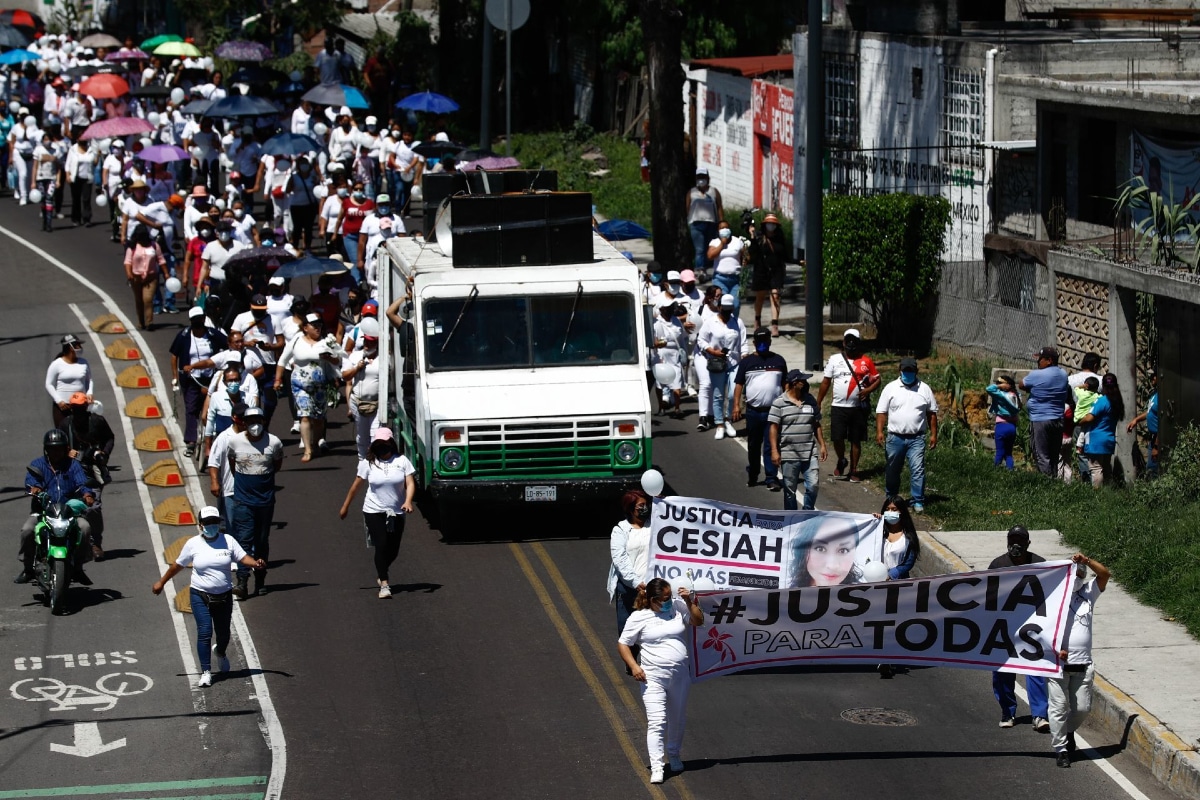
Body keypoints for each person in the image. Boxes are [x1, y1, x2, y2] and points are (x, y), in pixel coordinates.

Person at [151, 505, 265, 688]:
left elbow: (243, 558)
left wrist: (255, 564)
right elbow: (177, 566)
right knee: (204, 632)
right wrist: (161, 582)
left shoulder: (228, 541)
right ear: (200, 524)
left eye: (215, 522)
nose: (212, 525)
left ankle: (220, 652)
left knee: (224, 634)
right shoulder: (193, 544)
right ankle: (206, 672)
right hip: (200, 595)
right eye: (208, 522)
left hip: (224, 596)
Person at [617, 577, 704, 785]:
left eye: (670, 596)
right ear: (653, 599)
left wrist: (689, 601)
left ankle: (673, 754)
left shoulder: (678, 606)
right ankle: (657, 766)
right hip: (652, 676)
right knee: (657, 721)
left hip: (680, 674)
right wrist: (634, 666)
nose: (669, 599)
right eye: (665, 597)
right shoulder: (639, 617)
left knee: (678, 717)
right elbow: (623, 644)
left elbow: (698, 621)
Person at [338, 428, 416, 598]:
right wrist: (345, 506)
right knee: (381, 544)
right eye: (378, 443)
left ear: (391, 443)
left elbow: (410, 483)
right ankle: (384, 584)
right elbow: (356, 486)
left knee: (393, 549)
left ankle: (382, 570)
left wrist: (408, 501)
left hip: (396, 511)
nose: (382, 446)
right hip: (373, 510)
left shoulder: (402, 461)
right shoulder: (368, 463)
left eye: (385, 443)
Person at [1050, 553, 1110, 768]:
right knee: (1058, 707)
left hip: (1083, 664)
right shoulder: (1052, 598)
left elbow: (1104, 574)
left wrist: (1086, 561)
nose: (1078, 576)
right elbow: (1039, 629)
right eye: (1074, 572)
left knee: (1082, 708)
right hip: (1058, 665)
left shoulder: (1088, 594)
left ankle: (1067, 731)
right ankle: (1061, 749)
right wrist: (1056, 648)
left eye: (1081, 573)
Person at [989, 525, 1050, 731]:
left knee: (1036, 671)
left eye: (1021, 541)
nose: (1016, 545)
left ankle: (1040, 715)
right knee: (1002, 672)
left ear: (1028, 544)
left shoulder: (1041, 565)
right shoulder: (998, 565)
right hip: (1004, 627)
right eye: (1013, 540)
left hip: (1032, 629)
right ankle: (1008, 712)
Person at [16, 429, 95, 586]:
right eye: (52, 448)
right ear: (46, 449)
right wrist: (35, 489)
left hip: (69, 512)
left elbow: (82, 483)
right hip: (43, 512)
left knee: (85, 528)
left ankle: (78, 568)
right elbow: (32, 481)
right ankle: (28, 569)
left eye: (59, 448)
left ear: (65, 448)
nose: (56, 452)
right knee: (27, 530)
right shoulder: (37, 465)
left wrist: (87, 495)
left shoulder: (73, 465)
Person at [226, 406, 283, 599]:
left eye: (258, 421)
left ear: (264, 422)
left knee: (261, 542)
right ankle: (242, 581)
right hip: (243, 502)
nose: (255, 425)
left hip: (265, 502)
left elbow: (276, 465)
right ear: (244, 423)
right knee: (243, 542)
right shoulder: (235, 442)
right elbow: (233, 464)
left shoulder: (274, 442)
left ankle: (260, 579)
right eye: (250, 422)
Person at [817, 329, 881, 483]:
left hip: (857, 408)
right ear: (844, 342)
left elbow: (877, 379)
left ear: (858, 343)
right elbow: (826, 382)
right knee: (837, 438)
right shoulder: (834, 360)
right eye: (848, 340)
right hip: (838, 407)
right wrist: (818, 401)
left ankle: (854, 469)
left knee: (855, 440)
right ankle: (841, 460)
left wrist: (868, 390)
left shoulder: (866, 361)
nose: (851, 344)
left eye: (854, 341)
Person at [875, 357, 938, 514]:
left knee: (917, 469)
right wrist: (879, 431)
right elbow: (881, 411)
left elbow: (932, 414)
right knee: (892, 469)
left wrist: (933, 434)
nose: (907, 374)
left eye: (910, 371)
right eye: (905, 371)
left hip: (916, 438)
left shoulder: (924, 389)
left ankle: (917, 500)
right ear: (900, 371)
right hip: (895, 437)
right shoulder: (891, 388)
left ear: (916, 372)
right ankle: (891, 498)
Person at [57, 392, 115, 561]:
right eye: (74, 408)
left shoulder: (97, 421)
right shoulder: (65, 425)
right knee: (67, 506)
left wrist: (104, 453)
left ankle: (95, 542)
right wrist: (67, 452)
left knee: (93, 507)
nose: (78, 411)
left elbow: (110, 438)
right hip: (71, 471)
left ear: (86, 407)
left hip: (93, 470)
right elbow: (54, 446)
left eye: (81, 408)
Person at [275, 313, 339, 461]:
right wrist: (278, 379)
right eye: (314, 325)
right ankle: (308, 450)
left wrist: (329, 357)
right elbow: (282, 360)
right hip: (300, 384)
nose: (318, 328)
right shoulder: (297, 340)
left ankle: (315, 444)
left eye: (319, 325)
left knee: (318, 419)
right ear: (305, 328)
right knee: (304, 416)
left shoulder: (327, 341)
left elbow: (337, 361)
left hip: (320, 386)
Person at [732, 328, 788, 489]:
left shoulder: (779, 361)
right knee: (754, 445)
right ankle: (754, 472)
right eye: (759, 342)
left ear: (770, 342)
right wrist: (736, 405)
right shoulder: (747, 362)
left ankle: (771, 477)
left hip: (773, 411)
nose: (762, 344)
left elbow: (785, 384)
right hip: (753, 412)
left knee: (771, 445)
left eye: (765, 341)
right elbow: (739, 385)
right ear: (754, 343)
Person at [170, 308, 228, 458]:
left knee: (211, 408)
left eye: (200, 318)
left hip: (210, 378)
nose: (198, 322)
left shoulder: (213, 334)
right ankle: (190, 441)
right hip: (191, 379)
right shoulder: (183, 336)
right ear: (191, 321)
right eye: (194, 319)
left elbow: (228, 345)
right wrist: (175, 376)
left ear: (204, 319)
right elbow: (174, 356)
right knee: (190, 407)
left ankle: (215, 438)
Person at [876, 495, 921, 678]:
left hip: (897, 586)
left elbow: (907, 564)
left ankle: (886, 658)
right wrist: (874, 523)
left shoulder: (908, 538)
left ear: (902, 512)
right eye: (889, 508)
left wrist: (891, 574)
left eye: (895, 509)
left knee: (892, 623)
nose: (891, 512)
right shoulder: (878, 531)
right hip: (875, 586)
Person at [769, 370, 826, 510]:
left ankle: (807, 513)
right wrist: (774, 451)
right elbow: (773, 428)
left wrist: (822, 445)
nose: (806, 383)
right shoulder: (779, 403)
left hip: (809, 452)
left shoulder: (810, 400)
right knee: (789, 490)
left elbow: (816, 424)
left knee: (813, 485)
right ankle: (791, 519)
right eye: (803, 381)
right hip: (789, 454)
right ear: (795, 383)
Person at [607, 490, 653, 662]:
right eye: (640, 506)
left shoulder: (655, 526)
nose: (645, 508)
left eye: (646, 505)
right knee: (626, 628)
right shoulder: (621, 530)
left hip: (651, 588)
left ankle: (649, 661)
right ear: (630, 509)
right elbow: (620, 558)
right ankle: (632, 661)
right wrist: (635, 581)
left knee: (651, 627)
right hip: (628, 588)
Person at [697, 294, 745, 440]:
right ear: (719, 307)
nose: (726, 313)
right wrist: (712, 351)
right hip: (717, 363)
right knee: (718, 395)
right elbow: (701, 340)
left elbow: (743, 342)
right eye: (724, 309)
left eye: (729, 310)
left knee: (732, 394)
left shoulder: (738, 322)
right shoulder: (710, 323)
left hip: (734, 363)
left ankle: (727, 419)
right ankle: (719, 424)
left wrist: (745, 355)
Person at [1020, 346, 1073, 477]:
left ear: (1049, 360)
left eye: (1041, 359)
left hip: (1040, 419)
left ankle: (1046, 483)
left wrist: (1033, 390)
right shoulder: (1063, 374)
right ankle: (1054, 478)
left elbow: (1021, 385)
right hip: (1058, 420)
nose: (1038, 362)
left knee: (1041, 454)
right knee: (1054, 454)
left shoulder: (1036, 374)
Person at [341, 317, 383, 459]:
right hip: (358, 402)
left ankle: (375, 460)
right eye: (365, 341)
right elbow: (345, 376)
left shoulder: (384, 359)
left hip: (377, 404)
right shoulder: (354, 356)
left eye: (370, 342)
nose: (366, 344)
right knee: (362, 435)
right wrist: (357, 368)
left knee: (376, 436)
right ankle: (362, 460)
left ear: (376, 343)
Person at [788, 515, 862, 587]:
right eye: (820, 549)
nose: (832, 566)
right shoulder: (788, 594)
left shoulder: (864, 594)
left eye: (843, 550)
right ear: (803, 550)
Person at [1079, 373, 1124, 488]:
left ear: (1103, 385)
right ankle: (1108, 491)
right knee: (1106, 467)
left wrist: (1079, 421)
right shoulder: (1117, 402)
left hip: (1096, 440)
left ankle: (1097, 494)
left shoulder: (1102, 401)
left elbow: (1089, 417)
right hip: (1109, 438)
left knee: (1096, 468)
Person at [748, 212, 788, 336]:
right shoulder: (759, 237)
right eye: (769, 224)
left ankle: (775, 324)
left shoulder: (779, 238)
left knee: (775, 296)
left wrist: (798, 261)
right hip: (761, 270)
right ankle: (757, 319)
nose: (771, 226)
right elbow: (753, 253)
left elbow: (784, 255)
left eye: (773, 224)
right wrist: (752, 237)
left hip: (776, 271)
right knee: (760, 297)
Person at [45, 334, 94, 428]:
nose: (80, 348)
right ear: (70, 347)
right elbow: (49, 384)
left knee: (82, 432)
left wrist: (89, 393)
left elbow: (89, 380)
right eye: (78, 345)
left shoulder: (84, 362)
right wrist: (59, 401)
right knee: (63, 435)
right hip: (63, 406)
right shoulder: (56, 364)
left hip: (80, 405)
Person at [124, 224, 167, 330]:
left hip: (151, 278)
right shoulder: (132, 247)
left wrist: (166, 273)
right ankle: (141, 322)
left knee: (147, 299)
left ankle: (149, 322)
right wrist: (129, 274)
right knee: (139, 300)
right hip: (136, 278)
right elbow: (128, 262)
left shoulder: (154, 246)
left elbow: (161, 260)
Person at [651, 302, 687, 417]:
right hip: (661, 354)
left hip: (674, 354)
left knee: (677, 379)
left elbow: (681, 339)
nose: (669, 310)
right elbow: (654, 341)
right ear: (661, 309)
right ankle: (661, 407)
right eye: (666, 308)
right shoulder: (656, 323)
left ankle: (677, 407)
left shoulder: (676, 321)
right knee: (660, 382)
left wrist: (684, 355)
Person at [685, 168, 722, 276]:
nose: (701, 180)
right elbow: (687, 208)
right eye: (699, 177)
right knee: (700, 248)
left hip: (711, 223)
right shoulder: (691, 192)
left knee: (709, 246)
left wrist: (721, 222)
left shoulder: (714, 192)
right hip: (696, 224)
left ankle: (708, 267)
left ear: (708, 178)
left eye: (703, 177)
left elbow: (719, 207)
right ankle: (700, 269)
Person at [706, 220, 744, 318]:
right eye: (722, 228)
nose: (724, 230)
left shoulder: (737, 241)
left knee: (735, 304)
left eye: (726, 227)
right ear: (718, 230)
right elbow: (710, 255)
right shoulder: (714, 242)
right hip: (720, 278)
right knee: (721, 303)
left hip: (734, 279)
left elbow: (745, 257)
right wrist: (722, 244)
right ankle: (721, 324)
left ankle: (734, 325)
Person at [1127, 369, 1159, 476]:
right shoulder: (1155, 394)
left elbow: (1162, 424)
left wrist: (1156, 447)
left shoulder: (1163, 397)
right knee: (1151, 467)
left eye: (1153, 376)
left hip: (1158, 439)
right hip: (1153, 438)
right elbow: (1150, 411)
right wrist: (1136, 420)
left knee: (1153, 469)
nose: (1151, 379)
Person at [986, 374, 1021, 470]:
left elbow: (989, 389)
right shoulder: (1016, 395)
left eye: (1000, 383)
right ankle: (1010, 470)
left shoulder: (1001, 395)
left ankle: (995, 471)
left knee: (999, 452)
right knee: (1008, 453)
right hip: (1012, 427)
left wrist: (998, 387)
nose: (997, 384)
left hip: (1001, 426)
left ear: (1007, 385)